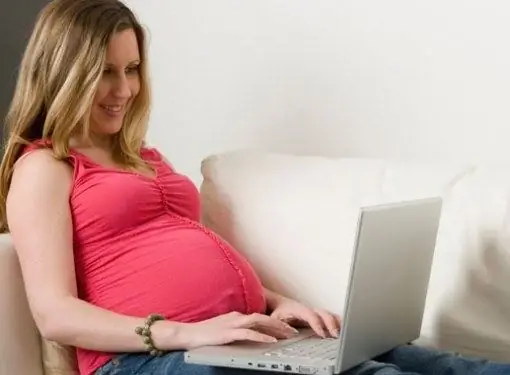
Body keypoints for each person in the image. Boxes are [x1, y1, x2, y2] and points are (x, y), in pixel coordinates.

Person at [0, 1, 508, 375]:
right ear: (66, 74)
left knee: (445, 365)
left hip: (238, 338)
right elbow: (54, 313)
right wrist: (185, 333)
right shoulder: (46, 166)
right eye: (105, 73)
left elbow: (185, 253)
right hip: (147, 361)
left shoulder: (144, 157)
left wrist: (276, 302)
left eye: (132, 70)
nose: (125, 90)